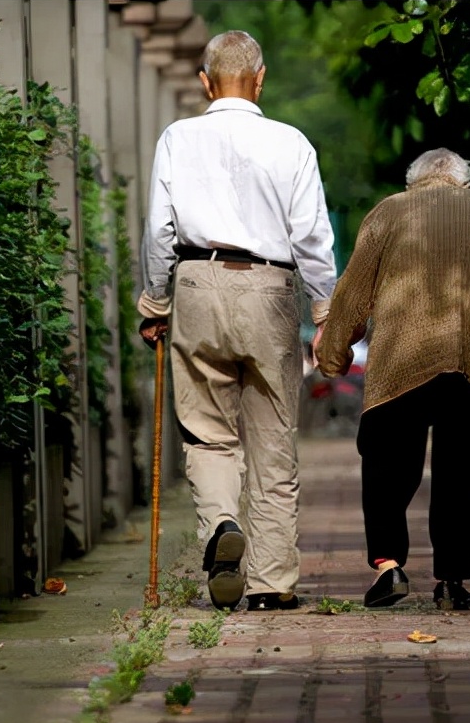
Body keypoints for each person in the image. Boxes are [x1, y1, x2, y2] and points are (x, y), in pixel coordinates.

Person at [137, 30, 337, 611]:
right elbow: (311, 236)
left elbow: (160, 230)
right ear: (261, 77)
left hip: (198, 283)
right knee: (273, 436)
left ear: (204, 81)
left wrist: (155, 302)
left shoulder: (177, 137)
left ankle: (223, 526)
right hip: (271, 288)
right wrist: (324, 309)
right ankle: (272, 583)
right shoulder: (291, 142)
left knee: (207, 430)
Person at [314, 148, 470, 610]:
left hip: (401, 362)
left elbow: (353, 289)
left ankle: (389, 566)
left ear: (414, 183)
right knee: (460, 472)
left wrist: (333, 354)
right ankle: (451, 581)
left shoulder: (388, 211)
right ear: (461, 182)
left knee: (386, 462)